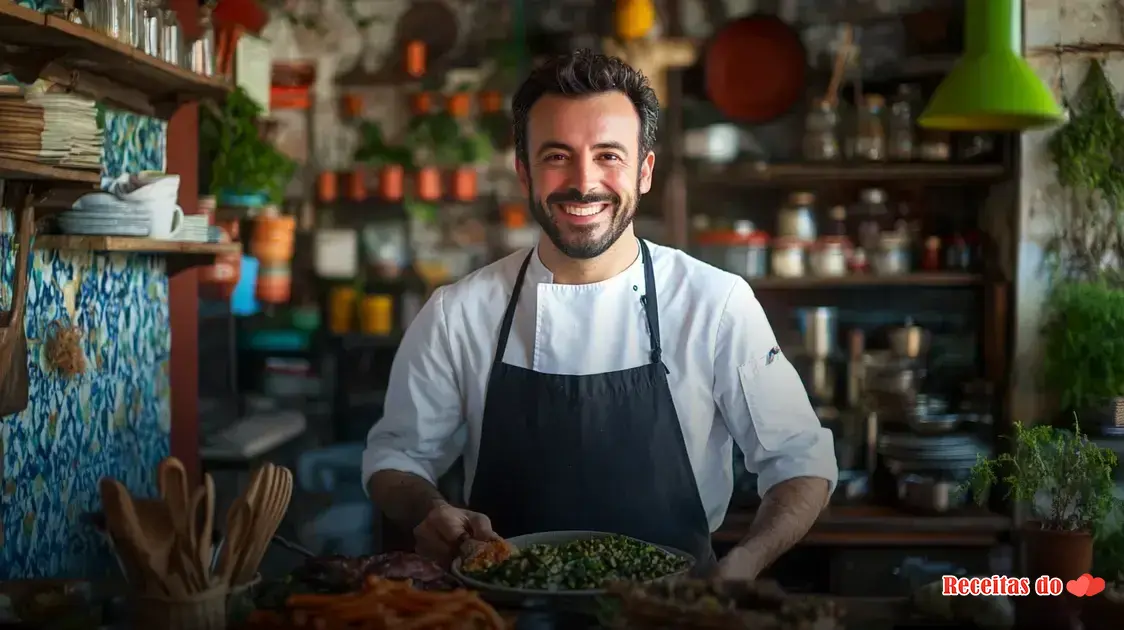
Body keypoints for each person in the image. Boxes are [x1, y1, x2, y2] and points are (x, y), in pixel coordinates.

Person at [363, 49, 837, 579]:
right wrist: (430, 511)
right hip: (503, 609)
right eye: (557, 155)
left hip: (670, 613)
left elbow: (800, 460)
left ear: (645, 171)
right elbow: (395, 458)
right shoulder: (459, 313)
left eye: (609, 155)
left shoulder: (716, 303)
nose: (584, 182)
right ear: (524, 172)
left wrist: (745, 561)